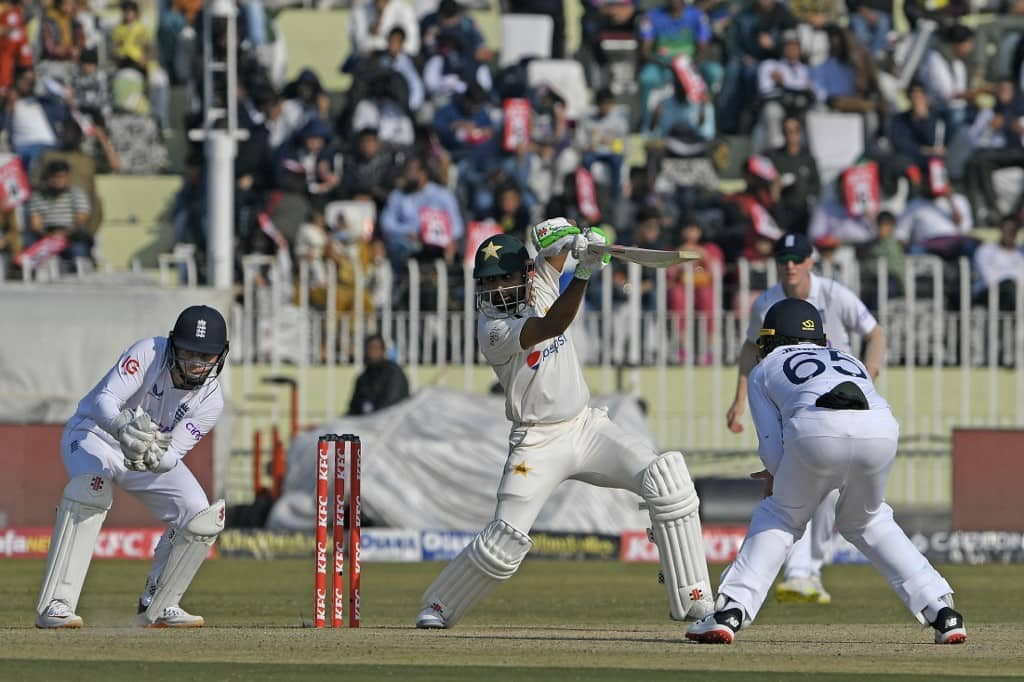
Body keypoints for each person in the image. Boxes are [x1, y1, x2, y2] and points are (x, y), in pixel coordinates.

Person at [414, 220, 714, 629]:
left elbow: (553, 252)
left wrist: (580, 239)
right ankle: (439, 605)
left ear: (524, 274)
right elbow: (552, 325)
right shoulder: (493, 329)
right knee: (504, 541)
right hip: (536, 442)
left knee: (668, 478)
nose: (496, 289)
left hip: (587, 426)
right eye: (487, 282)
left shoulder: (540, 280)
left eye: (504, 278)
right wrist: (586, 271)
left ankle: (695, 601)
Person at [687, 298, 966, 645]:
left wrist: (780, 478)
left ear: (772, 339)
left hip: (815, 428)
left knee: (782, 516)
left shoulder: (764, 367)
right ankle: (942, 610)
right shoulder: (849, 359)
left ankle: (731, 610)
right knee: (869, 521)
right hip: (880, 428)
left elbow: (773, 449)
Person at [35, 305, 229, 629]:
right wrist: (122, 429)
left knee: (197, 514)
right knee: (90, 491)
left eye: (205, 357)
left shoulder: (212, 401)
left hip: (144, 452)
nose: (196, 365)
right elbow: (103, 402)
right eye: (188, 353)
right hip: (94, 435)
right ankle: (56, 605)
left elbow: (172, 455)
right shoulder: (149, 352)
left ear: (220, 356)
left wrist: (153, 455)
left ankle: (159, 603)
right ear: (173, 346)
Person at [725, 232, 886, 604]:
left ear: (811, 261)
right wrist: (738, 399)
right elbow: (752, 349)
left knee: (820, 483)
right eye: (784, 259)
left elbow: (875, 333)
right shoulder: (766, 301)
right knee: (798, 478)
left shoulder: (834, 294)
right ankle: (800, 571)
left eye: (797, 259)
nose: (790, 265)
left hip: (842, 400)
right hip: (792, 400)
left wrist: (868, 376)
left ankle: (803, 570)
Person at [348, 334, 410, 415]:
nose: (372, 352)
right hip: (365, 421)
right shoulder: (363, 377)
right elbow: (354, 404)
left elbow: (393, 402)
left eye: (376, 348)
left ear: (383, 350)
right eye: (370, 348)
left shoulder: (393, 372)